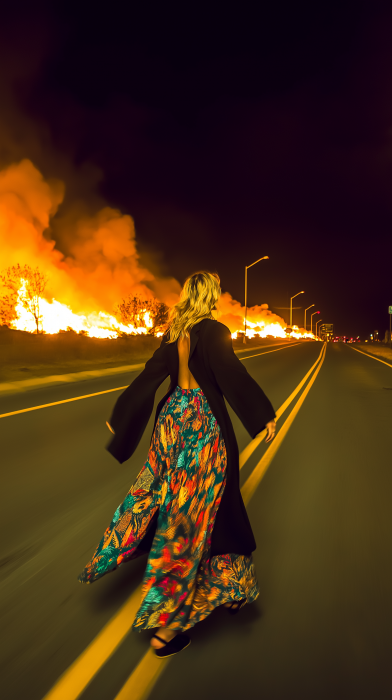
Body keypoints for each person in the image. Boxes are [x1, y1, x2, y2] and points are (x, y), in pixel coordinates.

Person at [78, 271, 276, 658]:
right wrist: (261, 416)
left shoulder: (173, 332)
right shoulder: (215, 331)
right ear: (213, 296)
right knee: (193, 517)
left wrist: (122, 414)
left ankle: (227, 586)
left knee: (157, 495)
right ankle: (166, 629)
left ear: (188, 295)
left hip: (170, 422)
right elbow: (232, 375)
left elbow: (149, 376)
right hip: (201, 429)